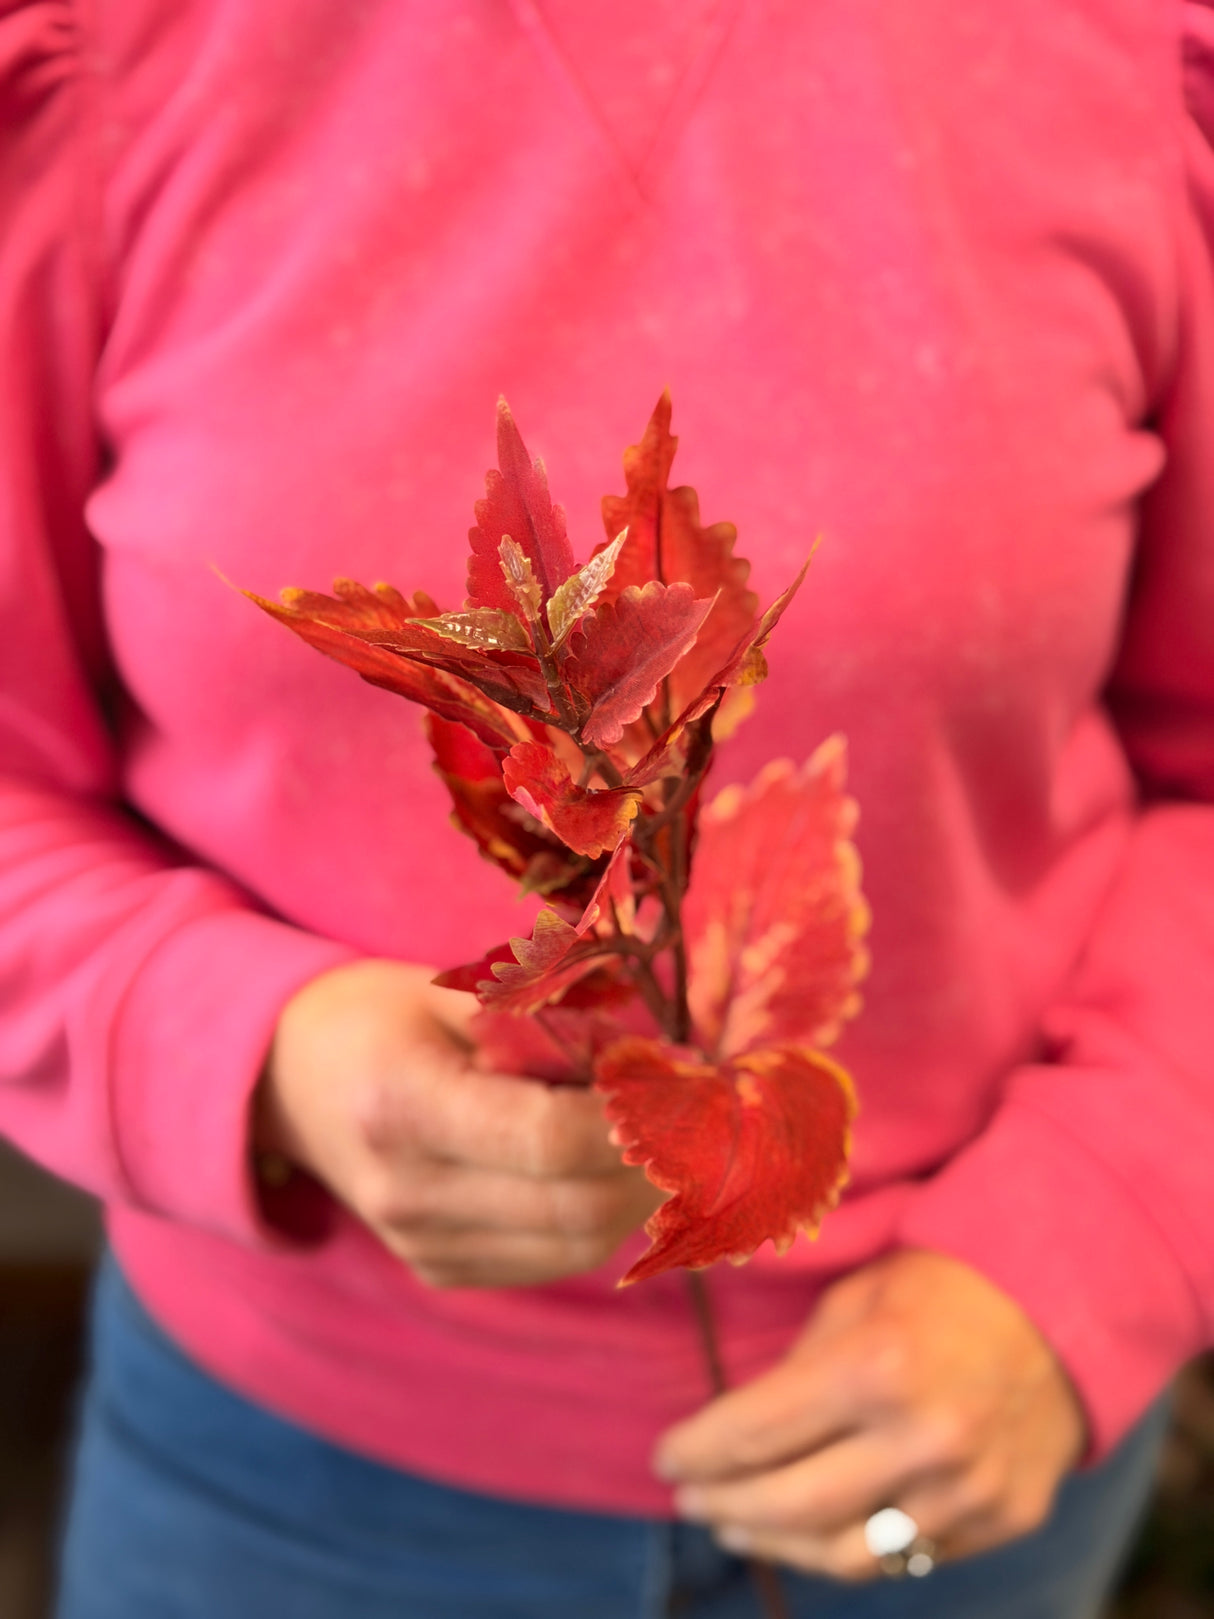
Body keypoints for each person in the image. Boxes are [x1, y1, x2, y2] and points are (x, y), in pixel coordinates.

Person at [3, 1, 1213, 1614]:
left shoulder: (1130, 62)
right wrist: (247, 1051)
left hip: (959, 1441)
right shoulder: (109, 64)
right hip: (281, 1481)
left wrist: (1102, 1232)